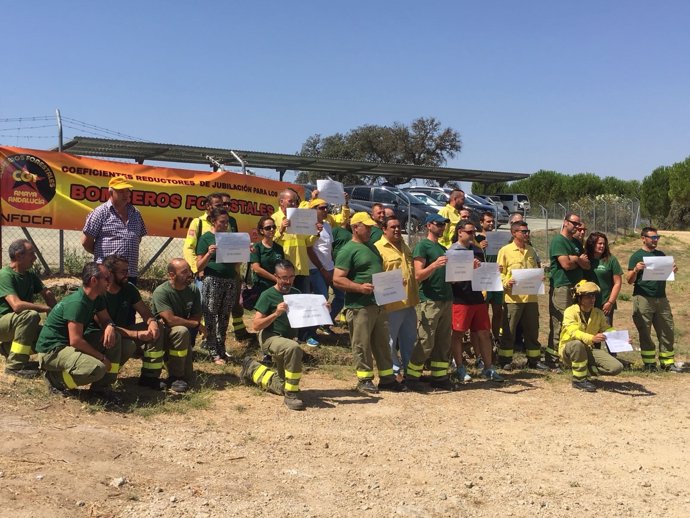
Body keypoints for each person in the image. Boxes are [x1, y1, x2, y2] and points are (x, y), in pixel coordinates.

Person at [333, 212, 404, 393]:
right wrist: (359, 288)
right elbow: (337, 279)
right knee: (361, 343)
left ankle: (387, 379)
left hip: (378, 303)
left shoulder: (371, 247)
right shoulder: (347, 250)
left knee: (382, 342)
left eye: (372, 226)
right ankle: (364, 380)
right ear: (355, 227)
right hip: (359, 306)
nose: (371, 229)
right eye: (367, 226)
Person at [36, 262, 121, 402]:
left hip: (68, 344)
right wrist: (102, 357)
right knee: (97, 368)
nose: (110, 281)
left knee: (115, 337)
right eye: (107, 278)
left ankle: (102, 387)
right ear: (94, 280)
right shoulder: (77, 303)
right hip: (52, 350)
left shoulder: (97, 298)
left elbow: (106, 319)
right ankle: (55, 380)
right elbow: (75, 341)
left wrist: (110, 326)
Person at [240, 260, 307, 410]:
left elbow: (305, 318)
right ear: (276, 277)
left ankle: (251, 368)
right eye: (283, 277)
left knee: (282, 383)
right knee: (293, 348)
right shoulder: (268, 295)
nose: (287, 281)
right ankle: (291, 394)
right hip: (270, 337)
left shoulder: (296, 293)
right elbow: (256, 325)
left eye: (291, 277)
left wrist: (322, 310)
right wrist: (275, 314)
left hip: (287, 340)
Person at [92, 255, 165, 389]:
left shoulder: (129, 288)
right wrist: (137, 335)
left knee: (157, 327)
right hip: (105, 336)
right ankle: (104, 381)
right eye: (123, 272)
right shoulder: (99, 293)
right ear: (110, 274)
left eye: (128, 270)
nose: (128, 274)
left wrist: (152, 322)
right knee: (127, 344)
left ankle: (150, 376)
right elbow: (105, 327)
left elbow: (145, 312)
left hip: (125, 331)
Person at [450, 220, 504, 383]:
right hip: (460, 299)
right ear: (460, 232)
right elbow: (451, 279)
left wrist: (493, 270)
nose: (473, 235)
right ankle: (459, 367)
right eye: (469, 232)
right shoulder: (452, 251)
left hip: (478, 298)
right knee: (458, 334)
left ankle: (488, 368)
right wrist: (468, 269)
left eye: (473, 232)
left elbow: (482, 272)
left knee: (484, 333)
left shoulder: (477, 249)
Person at [405, 213, 454, 389]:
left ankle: (439, 377)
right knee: (425, 340)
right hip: (430, 300)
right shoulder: (422, 246)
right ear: (428, 226)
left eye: (444, 225)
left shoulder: (442, 248)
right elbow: (417, 275)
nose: (442, 227)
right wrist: (434, 265)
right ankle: (411, 377)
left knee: (443, 341)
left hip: (447, 299)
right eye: (438, 224)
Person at [0, 239, 57, 377]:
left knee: (50, 337)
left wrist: (56, 316)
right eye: (31, 254)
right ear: (19, 255)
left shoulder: (30, 275)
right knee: (30, 315)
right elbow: (16, 305)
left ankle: (8, 349)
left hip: (16, 324)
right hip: (3, 322)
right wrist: (44, 308)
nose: (35, 258)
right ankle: (15, 366)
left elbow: (47, 293)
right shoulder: (5, 275)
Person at [627, 227, 681, 372]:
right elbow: (629, 280)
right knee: (645, 331)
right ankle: (649, 364)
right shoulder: (636, 256)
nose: (655, 240)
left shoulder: (661, 255)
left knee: (667, 329)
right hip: (643, 298)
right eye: (652, 237)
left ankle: (667, 363)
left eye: (657, 237)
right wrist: (636, 270)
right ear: (643, 238)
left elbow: (663, 275)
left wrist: (672, 270)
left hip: (661, 298)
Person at [496, 222, 547, 370]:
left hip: (531, 298)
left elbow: (535, 269)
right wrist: (507, 281)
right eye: (523, 231)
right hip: (513, 298)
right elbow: (499, 273)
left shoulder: (531, 250)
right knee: (509, 330)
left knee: (532, 329)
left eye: (527, 231)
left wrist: (539, 277)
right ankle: (505, 360)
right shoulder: (505, 251)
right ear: (514, 233)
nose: (526, 234)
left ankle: (533, 360)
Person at [375, 215, 419, 379]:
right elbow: (377, 275)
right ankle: (393, 371)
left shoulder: (405, 246)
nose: (397, 229)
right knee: (390, 340)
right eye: (392, 227)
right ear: (384, 229)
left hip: (409, 301)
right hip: (392, 303)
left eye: (398, 226)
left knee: (409, 338)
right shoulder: (378, 248)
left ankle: (409, 371)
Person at [559, 281, 623, 392]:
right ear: (579, 298)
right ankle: (579, 380)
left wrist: (622, 339)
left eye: (593, 296)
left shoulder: (598, 313)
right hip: (569, 350)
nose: (592, 299)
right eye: (588, 296)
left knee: (617, 368)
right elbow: (574, 332)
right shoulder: (570, 311)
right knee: (577, 344)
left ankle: (585, 371)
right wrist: (592, 338)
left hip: (588, 349)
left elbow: (607, 329)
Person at [151, 259, 204, 393]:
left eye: (189, 271)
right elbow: (170, 320)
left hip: (183, 332)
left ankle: (175, 366)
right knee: (181, 331)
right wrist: (195, 324)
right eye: (184, 272)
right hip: (161, 334)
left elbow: (197, 315)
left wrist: (195, 323)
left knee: (189, 376)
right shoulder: (161, 292)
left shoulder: (193, 290)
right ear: (172, 275)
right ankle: (175, 376)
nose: (189, 275)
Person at [81, 177, 147, 284]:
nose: (126, 195)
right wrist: (102, 255)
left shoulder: (135, 213)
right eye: (121, 191)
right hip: (107, 274)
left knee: (128, 301)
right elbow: (86, 242)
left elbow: (137, 238)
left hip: (130, 274)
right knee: (106, 300)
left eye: (127, 191)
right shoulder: (100, 213)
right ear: (111, 192)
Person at [546, 212, 590, 368]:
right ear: (565, 222)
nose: (577, 227)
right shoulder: (559, 241)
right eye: (575, 223)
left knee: (574, 322)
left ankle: (568, 357)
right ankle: (552, 359)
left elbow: (587, 265)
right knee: (560, 322)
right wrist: (577, 259)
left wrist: (576, 260)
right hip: (563, 287)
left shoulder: (577, 243)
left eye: (579, 224)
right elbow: (565, 264)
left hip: (577, 287)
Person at [196, 208, 238, 364]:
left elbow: (236, 262)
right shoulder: (206, 238)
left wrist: (243, 252)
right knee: (211, 316)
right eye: (222, 222)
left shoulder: (230, 238)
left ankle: (221, 349)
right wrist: (208, 254)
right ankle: (213, 351)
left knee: (225, 316)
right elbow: (199, 266)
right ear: (213, 221)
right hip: (212, 280)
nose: (225, 225)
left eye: (227, 222)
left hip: (229, 280)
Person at [307, 198, 344, 338]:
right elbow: (309, 250)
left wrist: (333, 266)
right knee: (322, 299)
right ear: (313, 210)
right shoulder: (308, 226)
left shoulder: (327, 226)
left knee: (341, 296)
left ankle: (325, 322)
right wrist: (322, 269)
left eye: (326, 207)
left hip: (330, 267)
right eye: (321, 208)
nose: (325, 210)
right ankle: (311, 333)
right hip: (315, 268)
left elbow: (329, 249)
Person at [220, 192, 253, 343]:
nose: (227, 207)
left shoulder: (232, 220)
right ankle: (210, 335)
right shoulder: (203, 222)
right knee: (216, 304)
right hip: (217, 270)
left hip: (233, 268)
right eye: (223, 204)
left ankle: (240, 331)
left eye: (229, 204)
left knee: (236, 302)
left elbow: (235, 242)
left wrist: (245, 249)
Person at [273, 189, 318, 295]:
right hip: (286, 271)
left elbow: (308, 242)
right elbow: (271, 242)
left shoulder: (300, 218)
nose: (294, 204)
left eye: (295, 201)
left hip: (302, 269)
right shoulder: (274, 219)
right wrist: (281, 229)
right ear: (281, 202)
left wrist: (316, 233)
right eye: (290, 201)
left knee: (303, 302)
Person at [475, 211, 503, 345]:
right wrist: (479, 247)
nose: (491, 224)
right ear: (481, 223)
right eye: (488, 221)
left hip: (497, 277)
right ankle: (484, 338)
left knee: (498, 310)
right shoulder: (476, 239)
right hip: (484, 278)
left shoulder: (500, 238)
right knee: (484, 311)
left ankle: (496, 337)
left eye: (492, 221)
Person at [585, 232, 623, 326]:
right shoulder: (585, 259)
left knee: (606, 334)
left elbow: (618, 283)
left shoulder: (611, 260)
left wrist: (610, 302)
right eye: (599, 243)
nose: (602, 246)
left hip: (604, 304)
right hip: (586, 303)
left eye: (604, 244)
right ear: (592, 243)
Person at [250, 215, 285, 296]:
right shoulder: (257, 247)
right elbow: (256, 269)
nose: (272, 230)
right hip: (262, 288)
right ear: (261, 231)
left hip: (277, 288)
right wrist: (276, 279)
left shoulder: (279, 248)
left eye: (273, 227)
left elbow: (282, 268)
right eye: (268, 228)